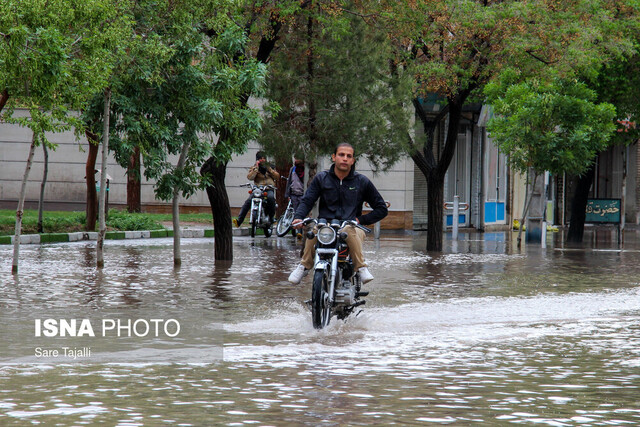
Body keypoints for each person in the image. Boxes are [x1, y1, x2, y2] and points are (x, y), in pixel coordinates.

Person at [288, 143, 387, 285]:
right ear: (334, 157)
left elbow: (381, 209)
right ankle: (304, 266)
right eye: (341, 155)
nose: (345, 159)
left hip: (352, 226)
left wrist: (360, 220)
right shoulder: (321, 178)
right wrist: (298, 217)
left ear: (353, 160)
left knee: (348, 229)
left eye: (349, 156)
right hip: (327, 226)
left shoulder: (362, 181)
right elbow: (308, 200)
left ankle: (361, 267)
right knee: (314, 230)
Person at [233, 151, 280, 228]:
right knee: (248, 201)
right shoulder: (254, 168)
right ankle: (239, 221)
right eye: (260, 159)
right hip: (258, 190)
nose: (262, 160)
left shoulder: (271, 167)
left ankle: (271, 218)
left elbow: (277, 177)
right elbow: (250, 177)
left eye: (264, 158)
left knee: (271, 198)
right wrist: (256, 169)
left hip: (268, 189)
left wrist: (269, 169)